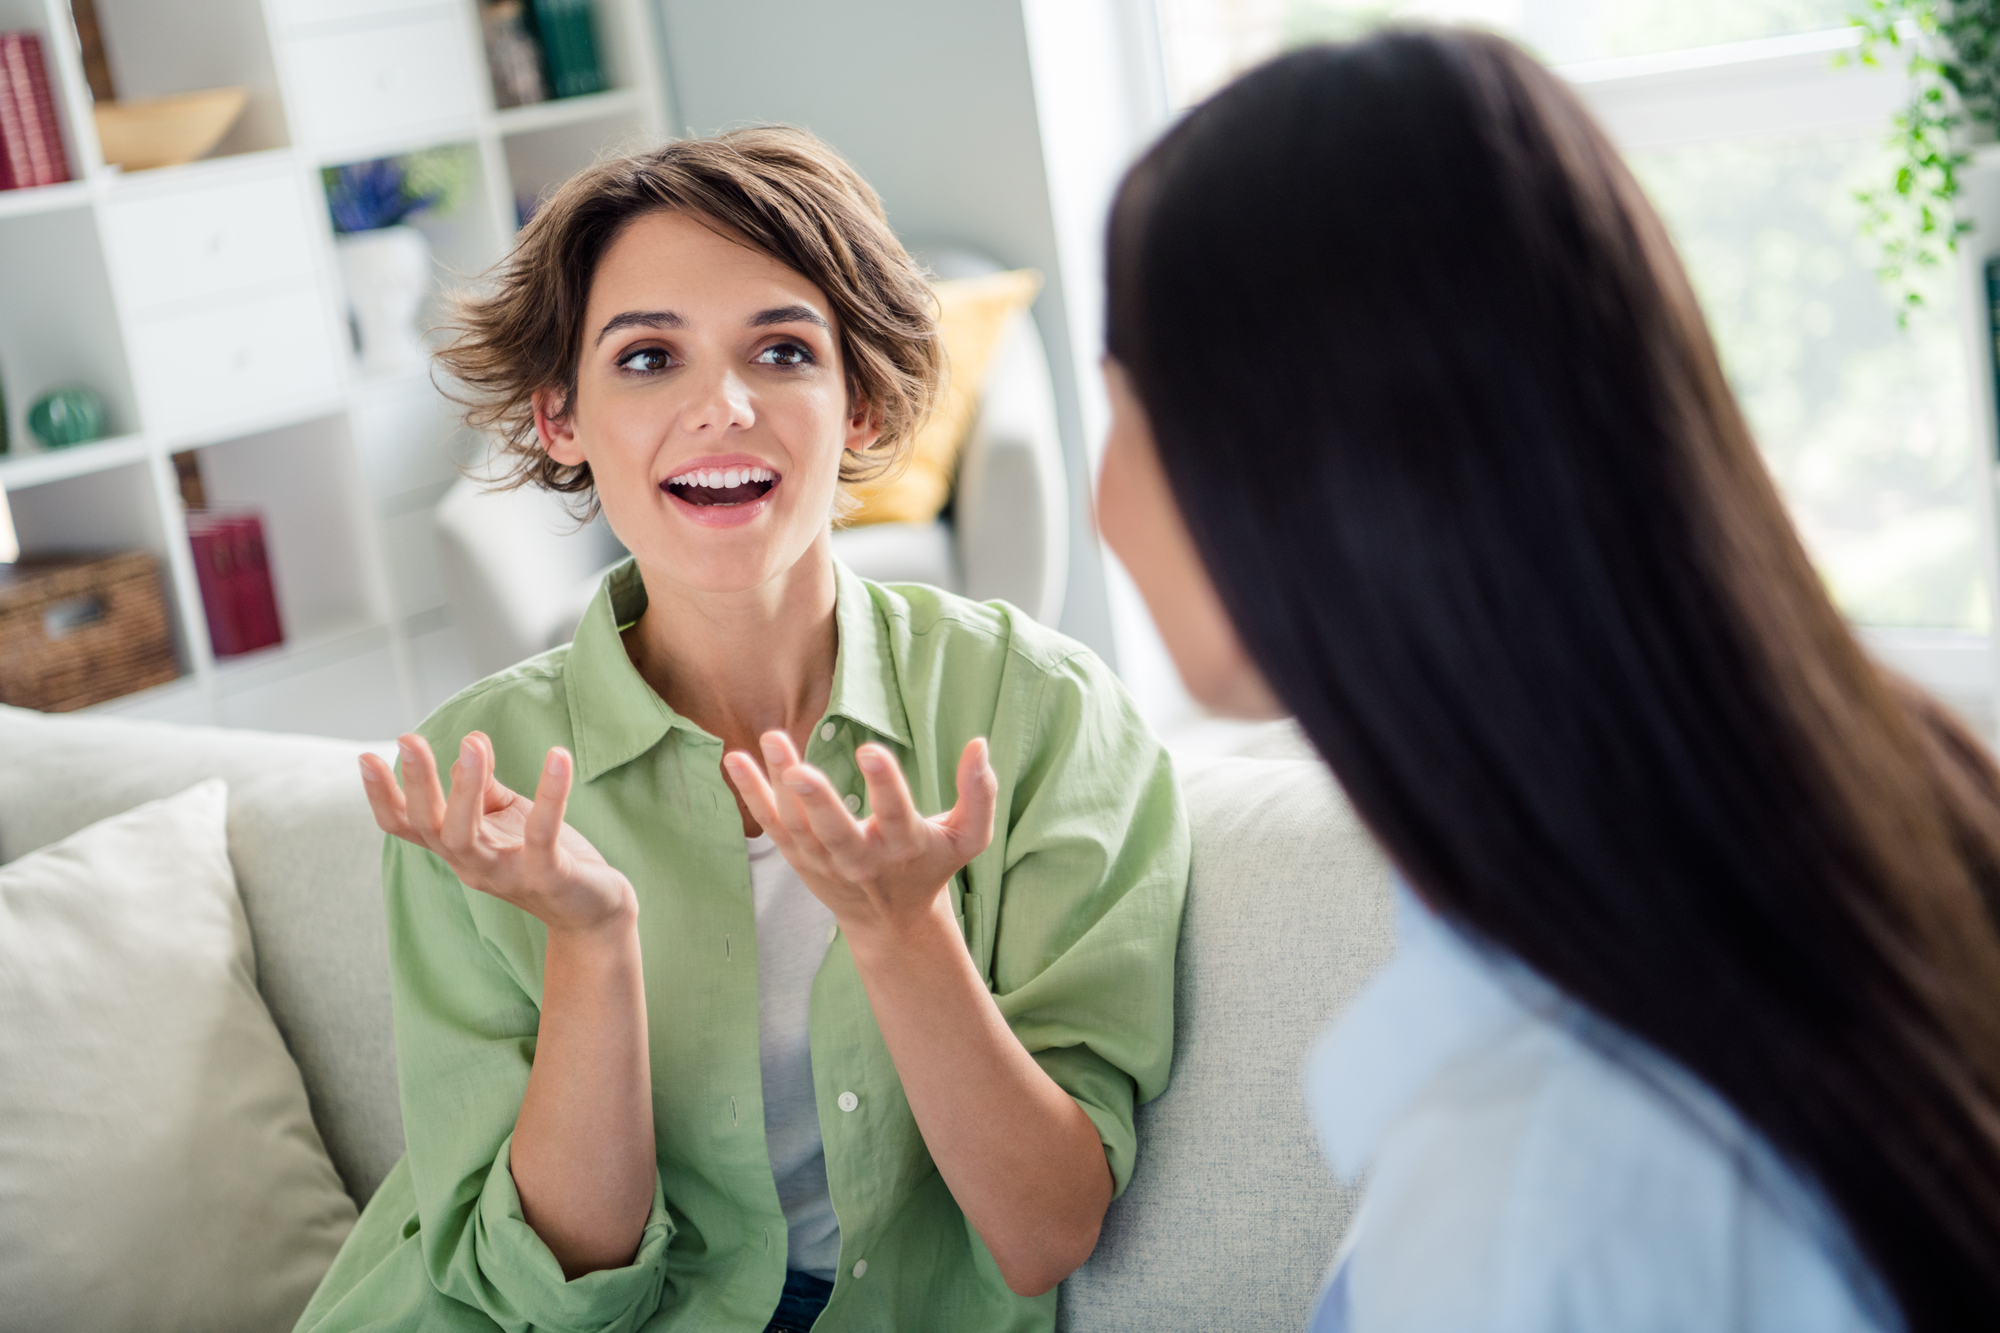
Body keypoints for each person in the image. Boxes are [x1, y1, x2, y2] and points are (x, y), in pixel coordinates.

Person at [1095, 26, 2000, 1333]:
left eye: (1121, 404)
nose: (1100, 494)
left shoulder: (1529, 1193)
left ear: (1279, 475)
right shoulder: (1907, 799)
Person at [296, 128, 1187, 1333]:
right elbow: (555, 1299)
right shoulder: (478, 784)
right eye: (648, 357)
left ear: (861, 405)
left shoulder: (1037, 718)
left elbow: (1040, 1236)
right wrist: (588, 938)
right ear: (560, 416)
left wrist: (902, 929)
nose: (720, 406)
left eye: (780, 350)